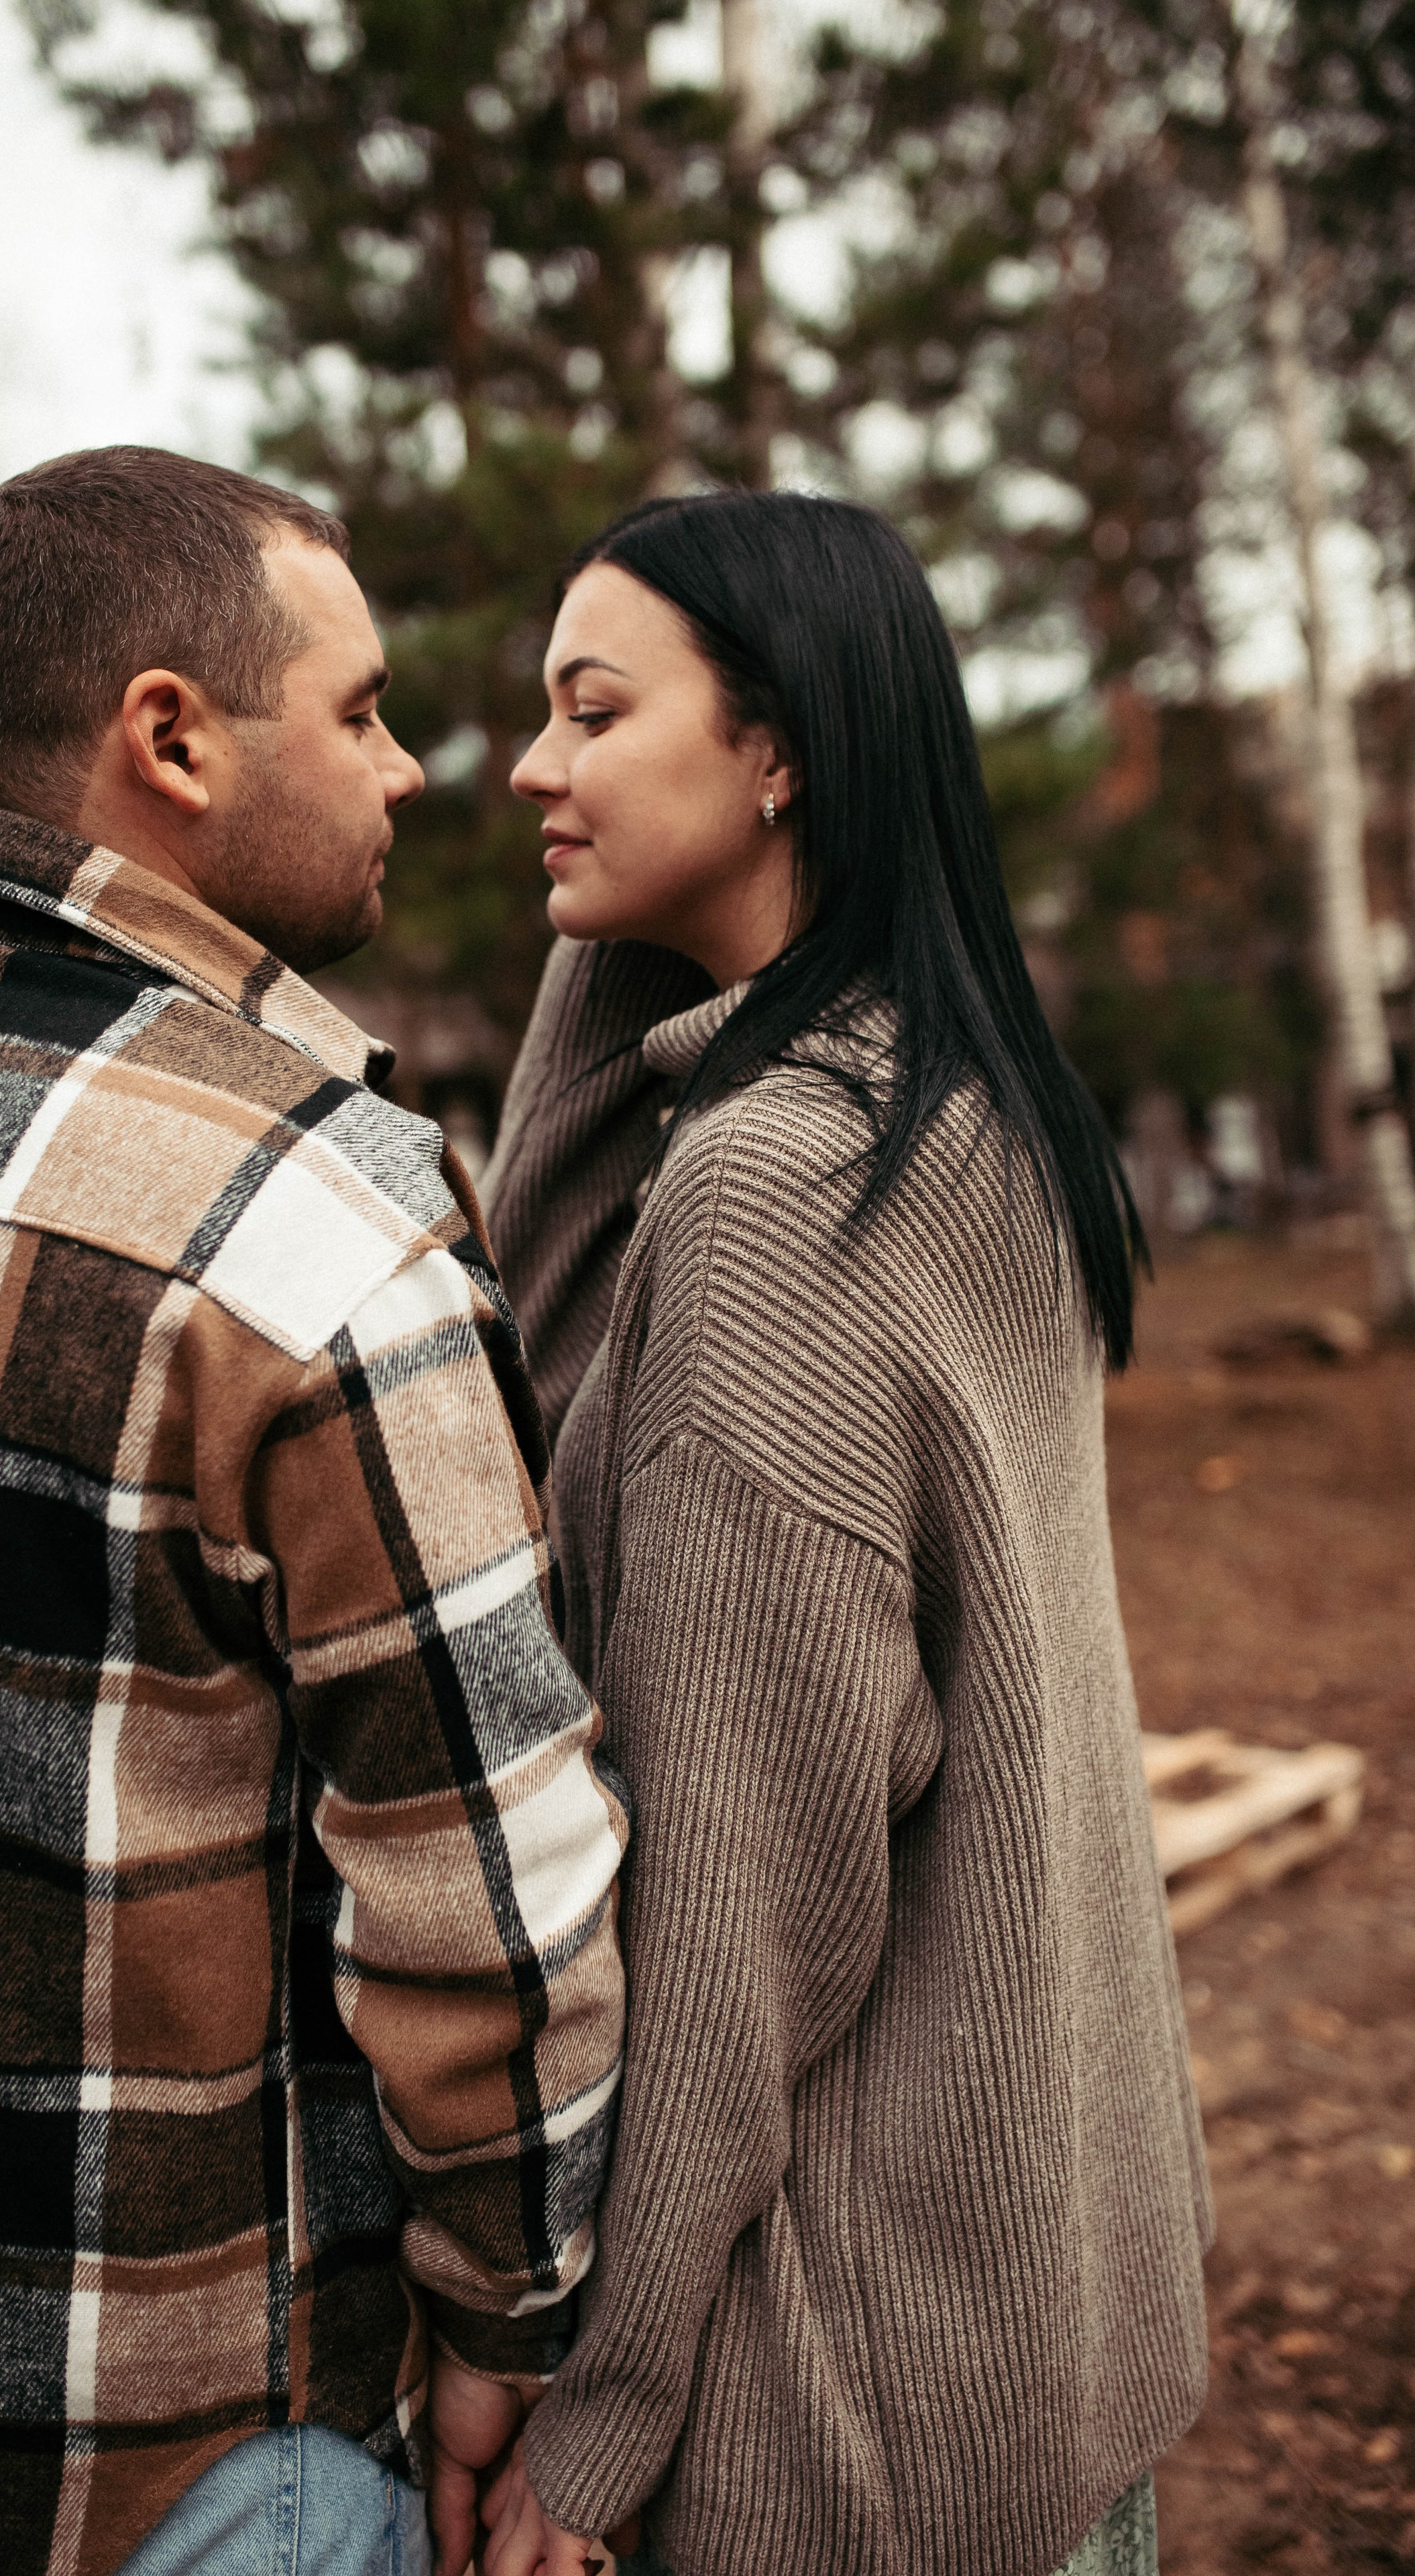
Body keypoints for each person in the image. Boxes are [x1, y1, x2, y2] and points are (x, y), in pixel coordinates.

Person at [0, 447, 628, 2576]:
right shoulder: (319, 1224)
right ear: (173, 739)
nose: (412, 771)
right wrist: (512, 2312)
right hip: (185, 2460)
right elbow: (486, 1892)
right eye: (366, 709)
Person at [475, 490, 1212, 2576]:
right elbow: (551, 1346)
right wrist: (621, 940)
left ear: (779, 745)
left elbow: (738, 1914)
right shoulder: (954, 1105)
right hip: (1049, 2294)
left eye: (590, 709)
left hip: (846, 2418)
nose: (527, 763)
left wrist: (594, 2426)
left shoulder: (773, 1206)